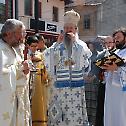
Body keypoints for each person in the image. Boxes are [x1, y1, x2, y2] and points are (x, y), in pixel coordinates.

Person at [43, 9, 92, 126]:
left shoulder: (81, 45)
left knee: (75, 116)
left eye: (71, 28)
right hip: (58, 88)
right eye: (66, 28)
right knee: (59, 116)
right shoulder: (56, 45)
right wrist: (57, 45)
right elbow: (47, 58)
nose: (68, 30)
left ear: (75, 29)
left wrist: (75, 43)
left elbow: (86, 64)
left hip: (75, 89)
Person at [0, 19, 30, 126]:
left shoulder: (12, 49)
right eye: (19, 34)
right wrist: (21, 69)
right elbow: (4, 75)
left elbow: (15, 70)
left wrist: (24, 70)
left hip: (16, 100)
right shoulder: (1, 50)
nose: (21, 38)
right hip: (5, 103)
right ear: (9, 34)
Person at [101, 28, 126, 126]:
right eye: (115, 38)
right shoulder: (116, 53)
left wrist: (117, 68)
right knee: (111, 113)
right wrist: (106, 69)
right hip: (112, 90)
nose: (116, 40)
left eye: (119, 37)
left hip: (122, 92)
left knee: (122, 114)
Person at [95, 35, 116, 126]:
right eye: (106, 43)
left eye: (109, 42)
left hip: (114, 85)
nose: (107, 45)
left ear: (114, 42)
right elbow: (96, 68)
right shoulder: (102, 54)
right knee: (101, 106)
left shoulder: (119, 53)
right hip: (103, 83)